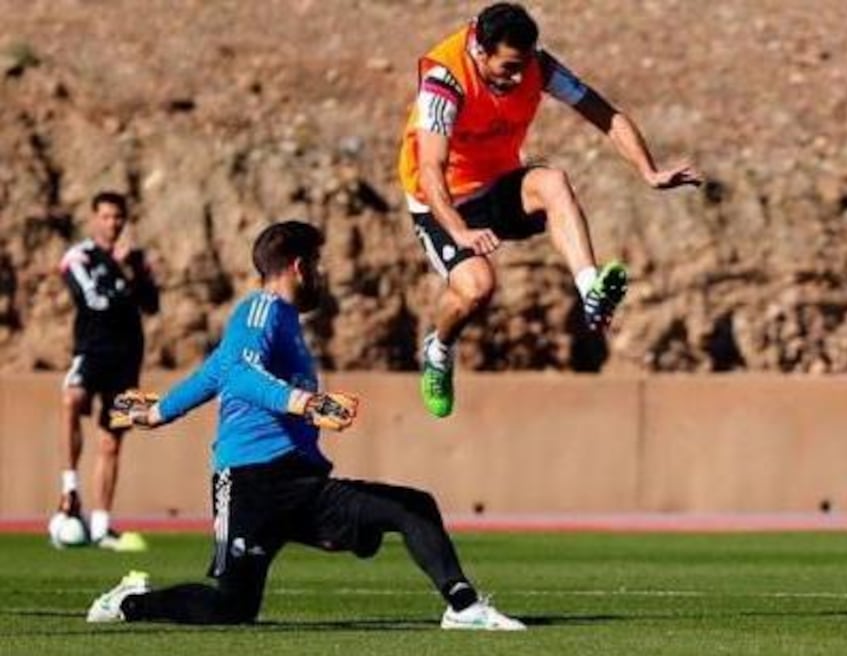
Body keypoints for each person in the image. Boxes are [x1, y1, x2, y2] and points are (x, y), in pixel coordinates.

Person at [86, 221, 525, 630]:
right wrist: (305, 403)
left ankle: (464, 606)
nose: (321, 273)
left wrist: (159, 412)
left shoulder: (286, 324)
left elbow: (213, 374)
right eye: (316, 263)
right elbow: (237, 372)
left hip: (301, 482)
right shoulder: (261, 310)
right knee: (232, 608)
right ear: (298, 267)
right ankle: (128, 603)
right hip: (250, 484)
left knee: (412, 507)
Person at [398, 2, 703, 418]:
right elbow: (431, 170)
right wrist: (459, 230)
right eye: (508, 66)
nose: (520, 77)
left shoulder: (537, 67)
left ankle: (590, 289)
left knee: (552, 181)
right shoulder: (443, 82)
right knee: (476, 289)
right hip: (440, 202)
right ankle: (438, 350)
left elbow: (604, 114)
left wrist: (648, 171)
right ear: (479, 50)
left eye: (524, 65)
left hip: (494, 185)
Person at [57, 191, 159, 551]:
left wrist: (130, 270)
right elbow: (93, 300)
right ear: (94, 218)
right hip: (92, 351)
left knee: (111, 440)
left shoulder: (136, 259)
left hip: (127, 357)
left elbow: (152, 304)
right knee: (72, 400)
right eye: (106, 216)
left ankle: (101, 526)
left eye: (118, 217)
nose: (112, 223)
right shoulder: (78, 257)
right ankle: (69, 489)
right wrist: (121, 279)